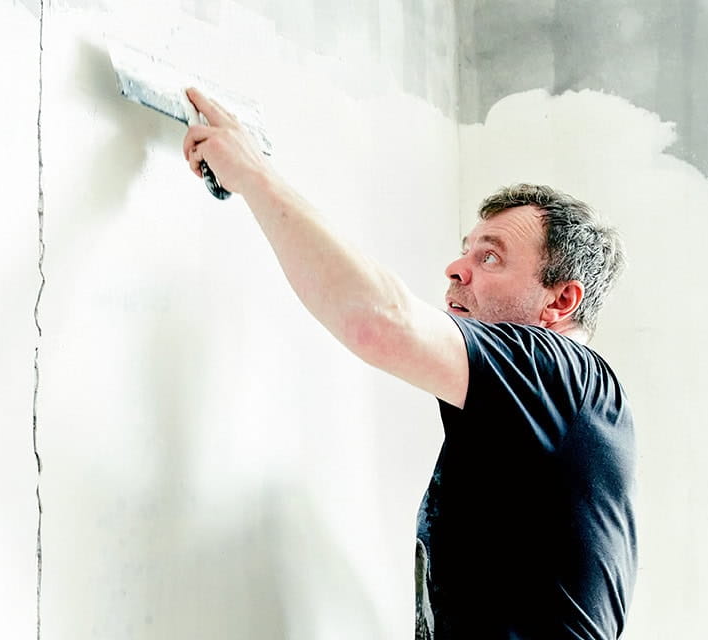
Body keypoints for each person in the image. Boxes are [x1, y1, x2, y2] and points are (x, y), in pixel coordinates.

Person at [180, 88, 636, 639]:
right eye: (465, 250)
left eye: (489, 256)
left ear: (560, 302)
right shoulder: (541, 412)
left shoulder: (561, 373)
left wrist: (252, 174)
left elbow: (379, 320)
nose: (455, 268)